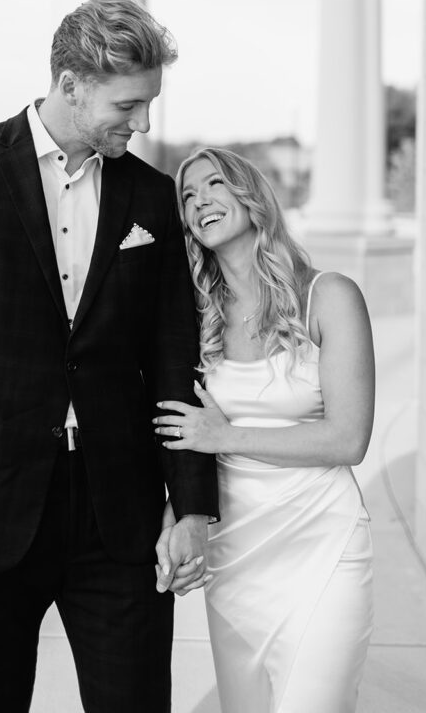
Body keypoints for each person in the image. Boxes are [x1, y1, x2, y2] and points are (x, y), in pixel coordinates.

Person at [0, 0, 218, 713]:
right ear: (71, 85)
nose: (144, 123)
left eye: (150, 104)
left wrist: (190, 504)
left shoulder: (150, 197)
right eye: (129, 105)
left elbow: (173, 354)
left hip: (117, 512)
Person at [153, 146, 374, 713]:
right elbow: (181, 434)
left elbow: (347, 439)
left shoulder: (330, 296)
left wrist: (228, 437)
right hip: (234, 555)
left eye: (214, 185)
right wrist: (177, 521)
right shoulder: (195, 315)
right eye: (188, 195)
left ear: (251, 196)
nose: (200, 200)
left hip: (322, 545)